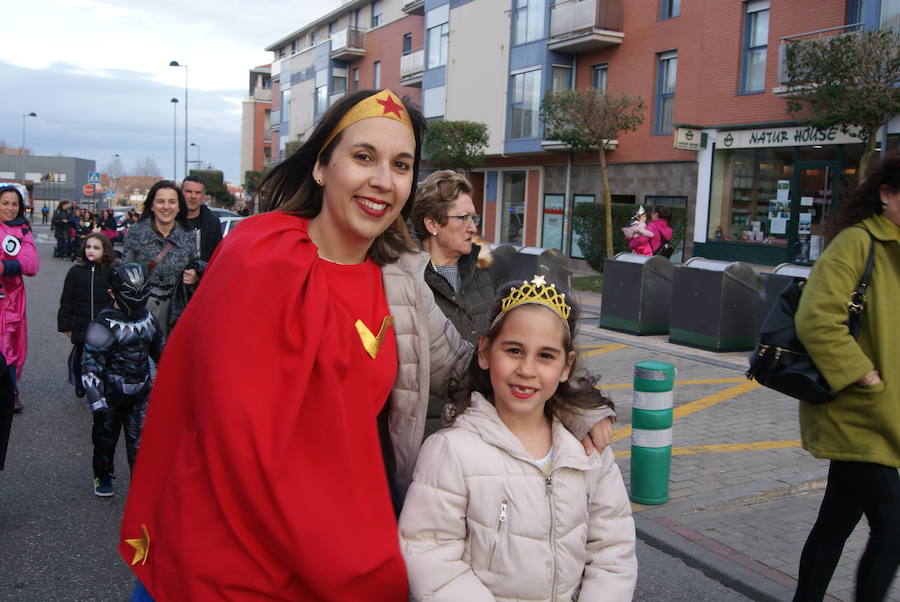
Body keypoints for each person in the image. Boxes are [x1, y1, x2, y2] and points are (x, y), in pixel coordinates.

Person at [118, 89, 613, 601]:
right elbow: (220, 427)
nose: (382, 180)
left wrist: (575, 405)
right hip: (222, 548)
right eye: (362, 157)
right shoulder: (256, 252)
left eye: (401, 165)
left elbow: (472, 368)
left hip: (344, 543)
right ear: (320, 167)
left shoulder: (399, 278)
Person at [399, 276, 637, 601]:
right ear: (485, 352)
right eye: (514, 350)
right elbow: (430, 555)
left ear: (566, 367)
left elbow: (613, 549)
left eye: (546, 356)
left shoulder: (587, 452)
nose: (527, 369)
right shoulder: (451, 452)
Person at [793, 152, 900, 602]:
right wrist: (864, 376)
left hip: (882, 414)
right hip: (857, 413)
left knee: (835, 521)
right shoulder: (859, 242)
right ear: (887, 194)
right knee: (893, 530)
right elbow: (817, 318)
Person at [410, 169, 494, 435]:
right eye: (463, 218)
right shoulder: (405, 281)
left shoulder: (483, 272)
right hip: (430, 433)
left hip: (482, 426)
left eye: (474, 217)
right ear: (432, 224)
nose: (474, 227)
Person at [82, 263, 163, 497]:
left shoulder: (149, 319)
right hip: (110, 394)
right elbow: (90, 363)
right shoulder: (103, 323)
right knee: (105, 439)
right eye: (131, 293)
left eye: (142, 292)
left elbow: (161, 352)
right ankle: (103, 473)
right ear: (112, 293)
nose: (138, 299)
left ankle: (140, 483)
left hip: (141, 391)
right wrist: (96, 399)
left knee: (139, 441)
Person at [122, 181, 199, 339]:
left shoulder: (189, 234)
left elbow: (196, 266)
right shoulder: (136, 232)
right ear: (151, 205)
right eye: (160, 201)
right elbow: (124, 273)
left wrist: (196, 276)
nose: (166, 207)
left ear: (178, 207)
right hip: (142, 312)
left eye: (172, 202)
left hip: (177, 313)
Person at [57, 233, 115, 398]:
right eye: (88, 247)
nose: (91, 250)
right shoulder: (75, 272)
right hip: (81, 323)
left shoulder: (110, 271)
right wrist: (65, 324)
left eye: (96, 248)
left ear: (105, 250)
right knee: (80, 357)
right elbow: (67, 300)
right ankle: (81, 382)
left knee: (105, 357)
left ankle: (101, 384)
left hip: (103, 324)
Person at [0, 186, 40, 413]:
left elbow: (32, 263)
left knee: (10, 345)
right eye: (5, 203)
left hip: (11, 298)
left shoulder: (22, 231)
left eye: (14, 204)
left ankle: (11, 390)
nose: (10, 208)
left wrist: (6, 266)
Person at [181, 175, 223, 262]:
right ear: (181, 193)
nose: (193, 196)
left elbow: (216, 259)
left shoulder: (212, 223)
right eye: (189, 191)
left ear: (203, 196)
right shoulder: (169, 220)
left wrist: (199, 273)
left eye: (198, 192)